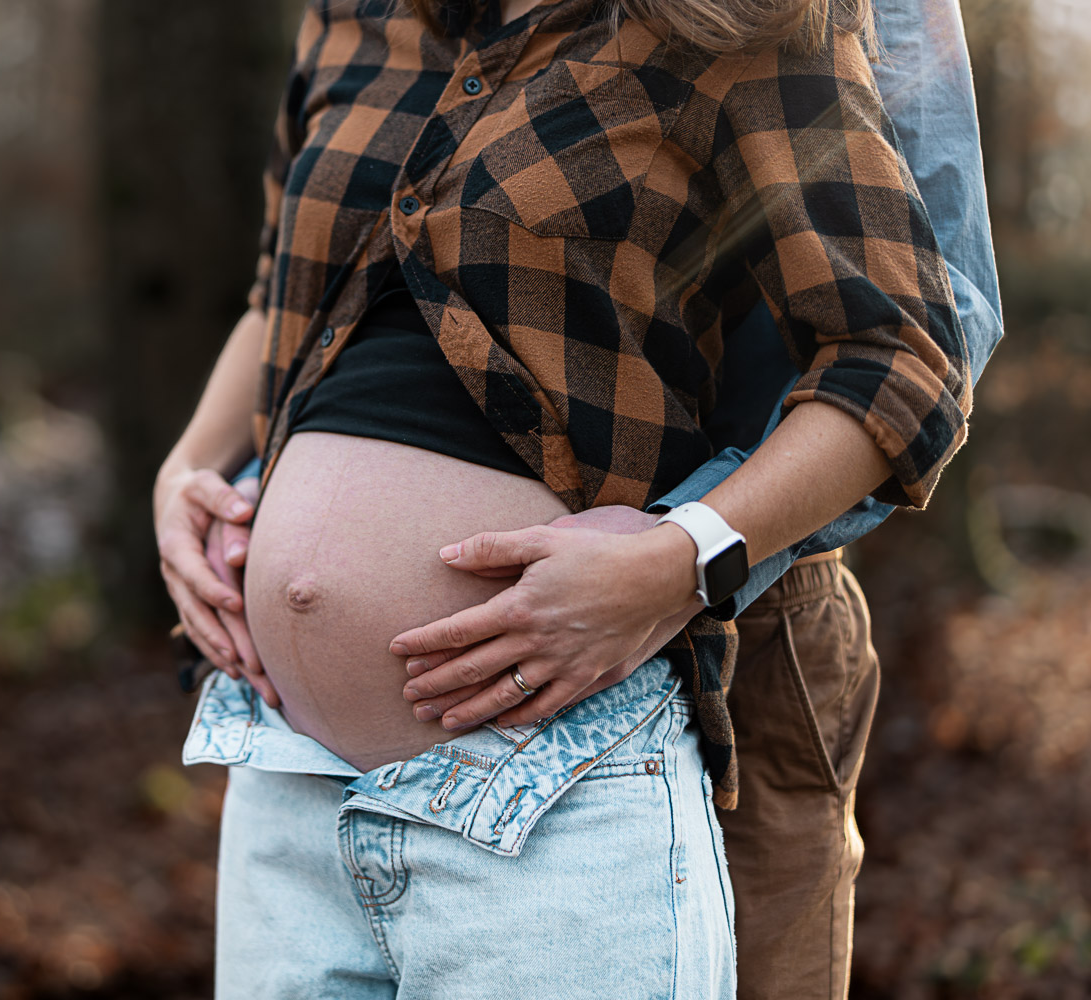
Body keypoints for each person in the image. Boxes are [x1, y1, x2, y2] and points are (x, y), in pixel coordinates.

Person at [153, 0, 981, 996]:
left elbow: (903, 360)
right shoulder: (352, 18)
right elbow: (277, 292)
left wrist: (686, 555)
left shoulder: (735, 25)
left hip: (554, 779)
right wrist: (184, 470)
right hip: (281, 775)